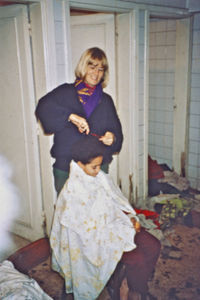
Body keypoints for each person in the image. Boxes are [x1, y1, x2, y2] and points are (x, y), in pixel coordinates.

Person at [50, 136, 161, 300]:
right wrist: (127, 229)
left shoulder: (98, 177)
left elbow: (113, 203)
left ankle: (135, 287)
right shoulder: (73, 193)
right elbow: (87, 235)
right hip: (93, 243)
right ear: (79, 164)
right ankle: (133, 290)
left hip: (113, 227)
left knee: (153, 245)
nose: (98, 171)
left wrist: (129, 219)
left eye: (99, 165)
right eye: (94, 167)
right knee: (137, 258)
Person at [35, 47, 123, 195]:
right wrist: (69, 116)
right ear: (83, 66)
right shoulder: (65, 92)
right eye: (92, 67)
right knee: (69, 214)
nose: (96, 73)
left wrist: (112, 138)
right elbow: (42, 108)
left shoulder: (106, 100)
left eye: (101, 69)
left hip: (97, 169)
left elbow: (117, 134)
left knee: (97, 212)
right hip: (66, 167)